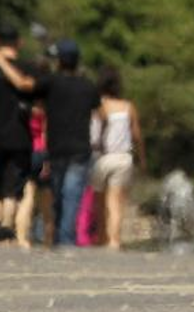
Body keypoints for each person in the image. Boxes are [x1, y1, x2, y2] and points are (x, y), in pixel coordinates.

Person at [34, 41, 101, 248]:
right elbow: (100, 114)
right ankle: (65, 240)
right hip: (80, 149)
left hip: (56, 149)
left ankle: (57, 237)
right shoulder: (88, 86)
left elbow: (33, 88)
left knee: (57, 195)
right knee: (71, 196)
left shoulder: (50, 83)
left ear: (60, 61)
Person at [0, 39, 37, 245]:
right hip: (19, 137)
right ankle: (5, 229)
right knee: (12, 188)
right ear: (19, 42)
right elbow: (27, 86)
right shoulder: (29, 67)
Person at [91, 68, 144, 251]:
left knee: (99, 202)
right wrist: (142, 158)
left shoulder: (98, 106)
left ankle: (101, 237)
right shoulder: (128, 107)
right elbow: (137, 136)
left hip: (102, 158)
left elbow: (94, 135)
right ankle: (115, 241)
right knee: (116, 202)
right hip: (123, 158)